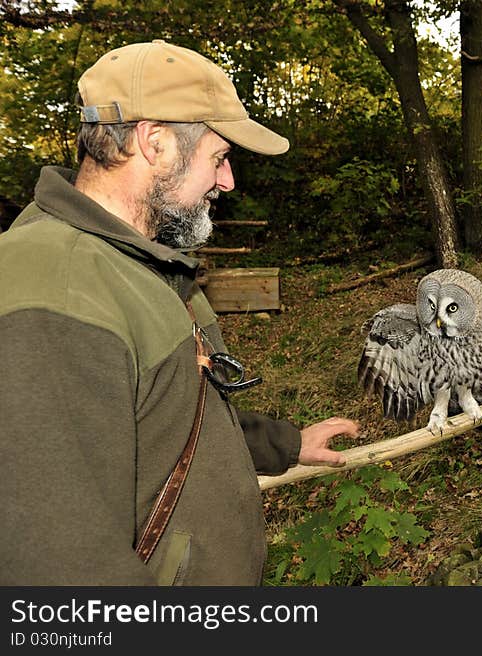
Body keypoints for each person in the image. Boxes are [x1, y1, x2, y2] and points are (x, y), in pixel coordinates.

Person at [0, 40, 358, 585]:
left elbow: (156, 414)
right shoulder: (58, 287)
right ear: (154, 141)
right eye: (219, 156)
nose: (228, 180)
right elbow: (60, 567)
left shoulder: (138, 264)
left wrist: (282, 444)